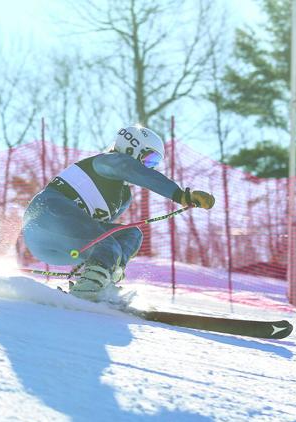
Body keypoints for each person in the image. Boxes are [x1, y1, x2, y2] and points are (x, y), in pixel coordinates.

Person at [21, 124, 215, 300]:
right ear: (132, 147)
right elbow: (133, 170)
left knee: (130, 234)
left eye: (153, 162)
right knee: (108, 244)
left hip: (61, 242)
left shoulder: (123, 197)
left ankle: (101, 280)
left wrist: (107, 261)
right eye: (148, 159)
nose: (149, 166)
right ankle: (88, 290)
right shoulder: (108, 162)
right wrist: (181, 195)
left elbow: (98, 230)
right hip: (46, 214)